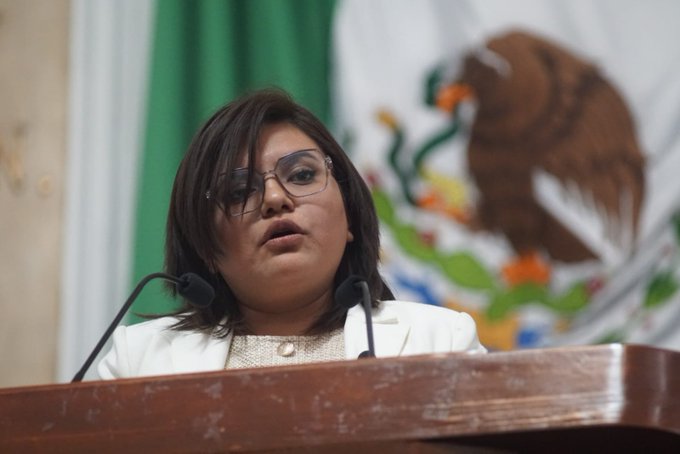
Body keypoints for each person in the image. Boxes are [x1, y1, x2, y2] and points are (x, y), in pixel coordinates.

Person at [98, 88, 486, 379]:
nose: (274, 199)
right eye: (238, 192)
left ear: (349, 216)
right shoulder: (140, 362)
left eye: (302, 175)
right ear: (205, 246)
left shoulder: (441, 342)